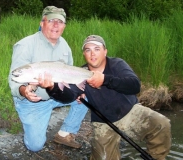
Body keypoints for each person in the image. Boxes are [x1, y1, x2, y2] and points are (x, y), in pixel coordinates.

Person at [38, 35, 171, 159]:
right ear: (84, 54)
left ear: (105, 51)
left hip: (131, 112)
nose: (92, 53)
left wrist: (105, 80)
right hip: (103, 122)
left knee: (161, 123)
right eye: (88, 50)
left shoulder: (117, 64)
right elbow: (67, 96)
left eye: (97, 49)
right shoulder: (78, 73)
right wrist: (52, 87)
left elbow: (135, 85)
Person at [8, 6, 88, 152]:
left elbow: (69, 75)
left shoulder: (64, 46)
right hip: (33, 102)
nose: (56, 25)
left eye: (60, 22)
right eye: (51, 20)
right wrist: (25, 91)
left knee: (87, 96)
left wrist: (80, 90)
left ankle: (65, 133)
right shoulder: (25, 45)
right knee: (35, 147)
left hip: (57, 95)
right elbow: (13, 79)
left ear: (64, 26)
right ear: (42, 23)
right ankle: (31, 127)